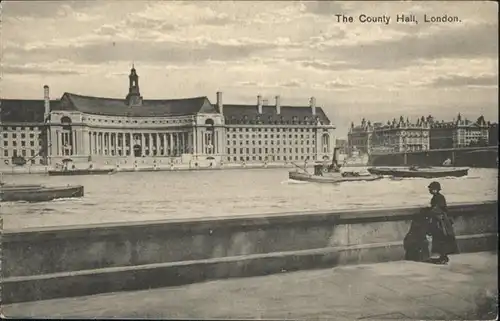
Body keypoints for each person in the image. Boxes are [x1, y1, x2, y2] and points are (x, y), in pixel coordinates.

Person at [426, 181, 459, 264]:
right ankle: (443, 257)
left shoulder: (437, 198)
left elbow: (438, 209)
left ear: (435, 190)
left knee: (441, 238)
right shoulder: (439, 197)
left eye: (431, 188)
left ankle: (443, 257)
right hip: (442, 220)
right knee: (443, 239)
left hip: (440, 221)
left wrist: (429, 212)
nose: (429, 190)